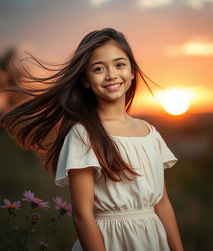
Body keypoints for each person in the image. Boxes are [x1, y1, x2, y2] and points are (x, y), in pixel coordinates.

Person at [0, 28, 184, 251]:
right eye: (98, 68)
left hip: (153, 240)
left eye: (119, 64)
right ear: (85, 80)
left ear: (133, 71)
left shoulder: (150, 132)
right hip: (108, 242)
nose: (111, 75)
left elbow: (162, 203)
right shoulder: (83, 134)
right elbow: (82, 215)